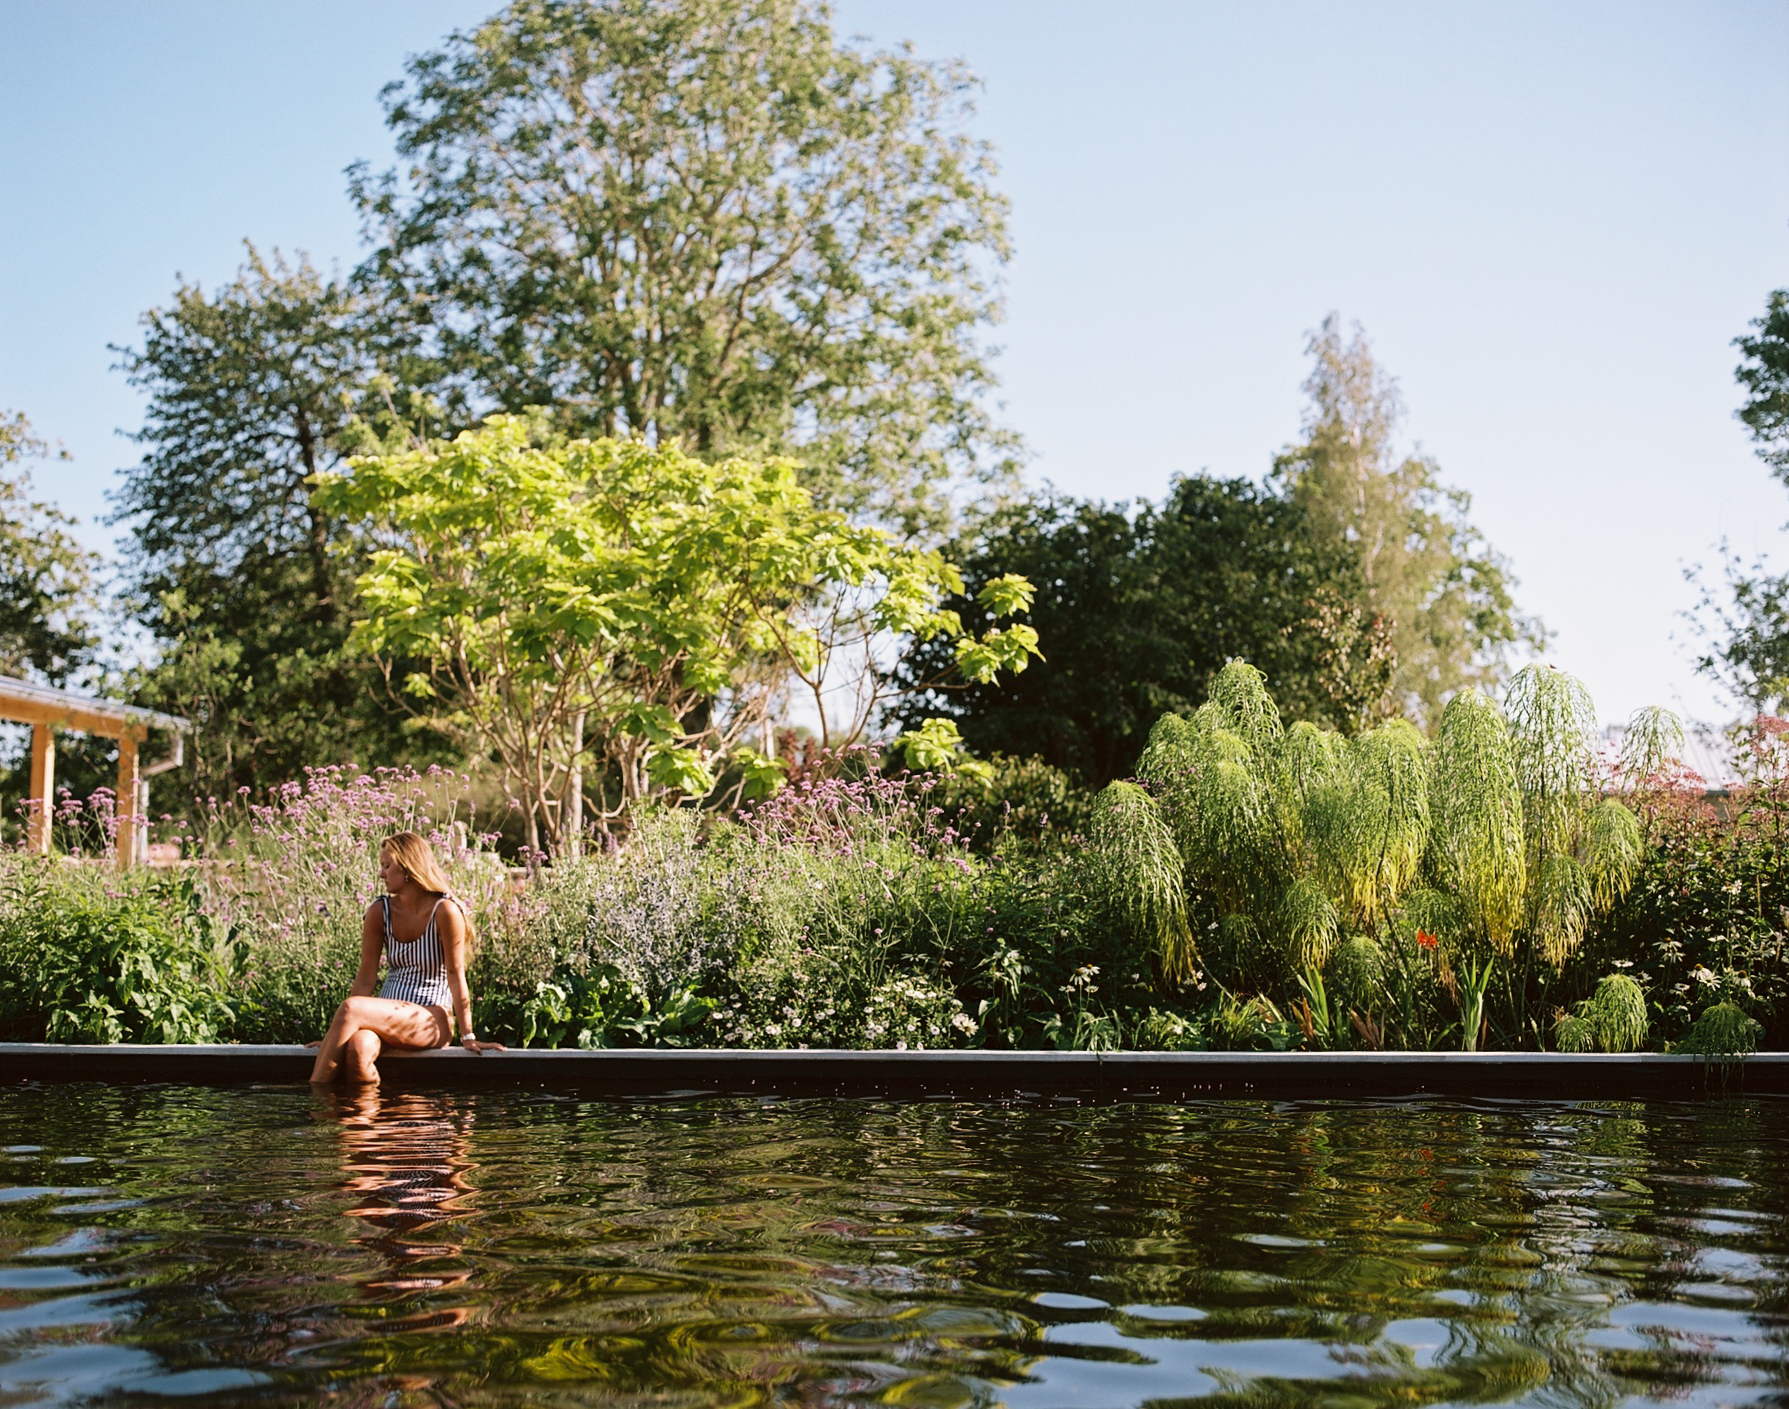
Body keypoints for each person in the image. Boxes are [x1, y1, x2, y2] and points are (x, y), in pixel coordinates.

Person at [309, 831, 505, 1085]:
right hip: (387, 1015)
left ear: (409, 867)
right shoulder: (380, 911)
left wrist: (468, 1034)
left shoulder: (445, 911)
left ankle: (315, 1105)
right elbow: (366, 978)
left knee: (351, 1007)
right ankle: (368, 1120)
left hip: (431, 1018)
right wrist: (335, 1037)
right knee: (358, 1049)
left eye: (387, 866)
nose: (381, 874)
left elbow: (456, 974)